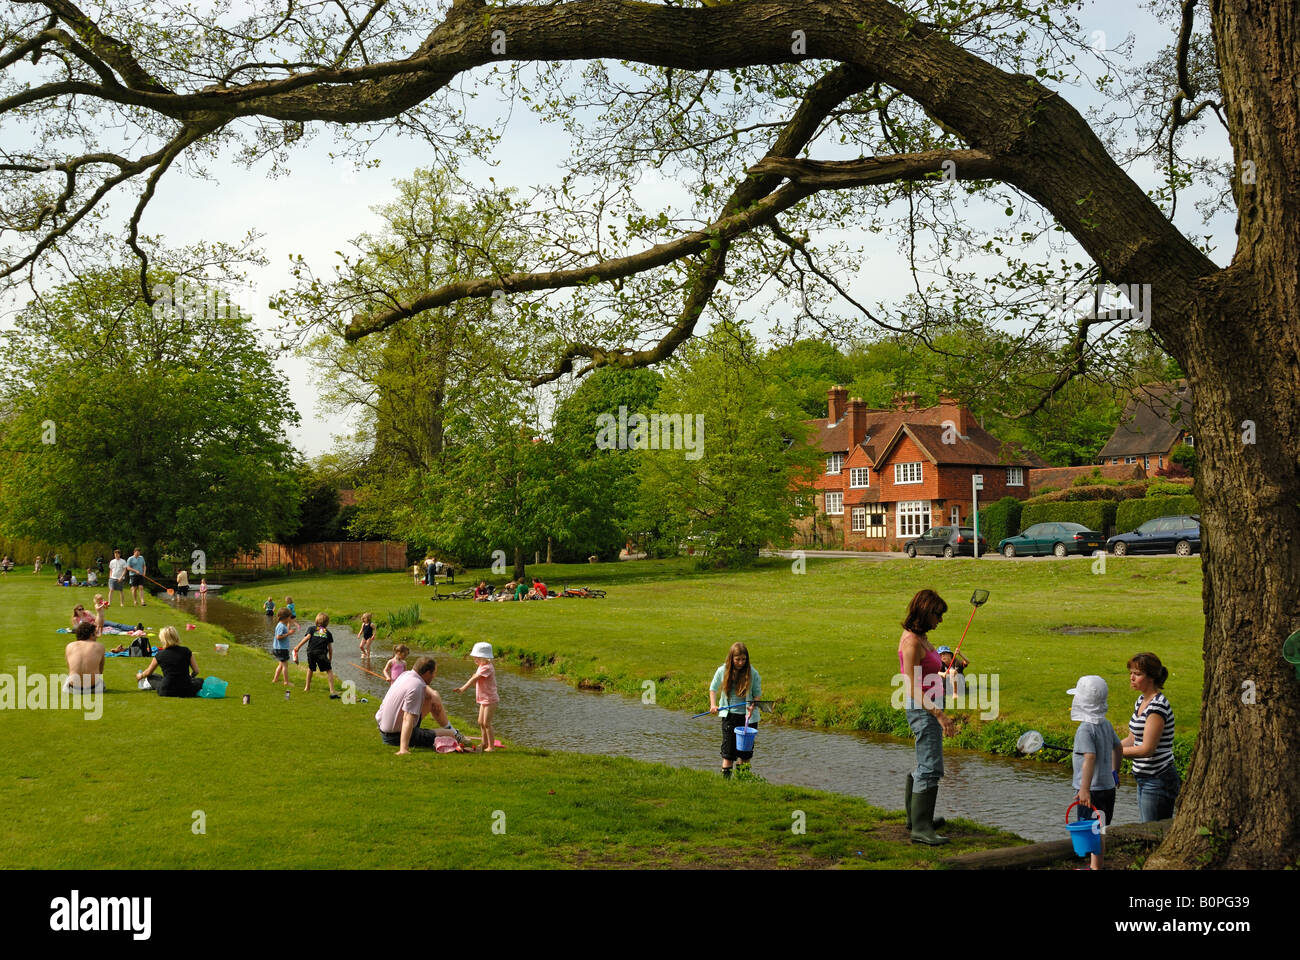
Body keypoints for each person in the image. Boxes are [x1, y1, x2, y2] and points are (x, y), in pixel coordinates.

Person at [897, 588, 955, 845]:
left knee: (925, 763)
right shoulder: (911, 642)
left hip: (927, 707)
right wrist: (939, 714)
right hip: (923, 710)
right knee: (931, 767)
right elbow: (910, 686)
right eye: (937, 615)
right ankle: (921, 828)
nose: (940, 621)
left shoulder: (920, 637)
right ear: (925, 612)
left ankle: (917, 819)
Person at [1068, 675, 1124, 870]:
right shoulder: (1106, 724)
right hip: (1108, 787)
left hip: (1092, 791)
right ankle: (1096, 866)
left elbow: (1089, 757)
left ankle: (1095, 868)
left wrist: (1084, 789)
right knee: (1100, 828)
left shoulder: (1085, 729)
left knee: (1090, 829)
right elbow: (1118, 748)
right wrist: (1115, 773)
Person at [1121, 652, 1179, 822]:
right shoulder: (1141, 701)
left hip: (1158, 778)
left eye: (1137, 674)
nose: (1132, 678)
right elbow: (1132, 738)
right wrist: (1110, 746)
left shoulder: (1157, 707)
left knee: (1152, 832)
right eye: (1131, 673)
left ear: (1151, 677)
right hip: (1144, 777)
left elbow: (1147, 749)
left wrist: (1117, 752)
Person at [375, 656, 465, 754]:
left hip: (384, 728)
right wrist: (403, 749)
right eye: (434, 673)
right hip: (395, 736)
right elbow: (407, 718)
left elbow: (425, 688)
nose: (434, 676)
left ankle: (451, 729)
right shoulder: (416, 687)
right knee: (449, 735)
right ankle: (453, 733)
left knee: (430, 699)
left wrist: (434, 694)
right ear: (427, 673)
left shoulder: (406, 675)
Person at [708, 641, 761, 778]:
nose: (741, 662)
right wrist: (713, 705)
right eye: (737, 659)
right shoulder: (722, 670)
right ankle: (726, 783)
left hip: (748, 718)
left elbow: (757, 694)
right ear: (731, 658)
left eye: (744, 659)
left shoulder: (752, 673)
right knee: (729, 753)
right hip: (730, 716)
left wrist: (752, 705)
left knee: (745, 753)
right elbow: (713, 689)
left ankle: (742, 783)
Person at [454, 641, 499, 752]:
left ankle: (491, 747)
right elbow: (476, 679)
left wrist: (463, 688)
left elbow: (475, 678)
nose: (475, 659)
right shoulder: (481, 666)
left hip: (490, 699)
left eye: (477, 657)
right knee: (480, 722)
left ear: (484, 657)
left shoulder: (487, 667)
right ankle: (484, 743)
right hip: (484, 699)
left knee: (487, 723)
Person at [136, 626, 203, 697]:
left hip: (166, 690)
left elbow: (148, 672)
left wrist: (141, 675)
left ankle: (149, 684)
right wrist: (190, 676)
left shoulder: (159, 654)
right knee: (200, 680)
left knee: (152, 677)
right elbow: (196, 671)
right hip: (186, 690)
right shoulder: (186, 651)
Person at [292, 612, 340, 698]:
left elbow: (306, 638)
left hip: (310, 652)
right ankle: (332, 690)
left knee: (310, 668)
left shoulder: (311, 629)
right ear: (327, 623)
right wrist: (330, 659)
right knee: (329, 670)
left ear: (316, 620)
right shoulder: (328, 633)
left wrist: (298, 647)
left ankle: (307, 687)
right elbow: (330, 648)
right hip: (321, 653)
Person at [64, 621, 106, 693]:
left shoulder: (69, 646)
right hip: (94, 688)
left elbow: (70, 667)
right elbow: (100, 669)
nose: (96, 636)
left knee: (68, 678)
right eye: (95, 633)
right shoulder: (99, 646)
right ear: (91, 634)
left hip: (74, 688)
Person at [271, 608, 295, 686]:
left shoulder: (281, 625)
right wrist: (288, 634)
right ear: (285, 617)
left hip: (278, 648)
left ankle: (275, 679)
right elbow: (278, 637)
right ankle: (286, 682)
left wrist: (289, 628)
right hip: (281, 649)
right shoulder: (281, 626)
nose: (290, 619)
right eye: (289, 617)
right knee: (285, 665)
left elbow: (284, 631)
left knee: (281, 664)